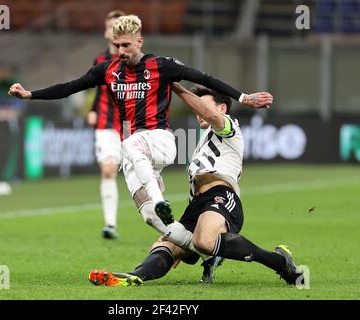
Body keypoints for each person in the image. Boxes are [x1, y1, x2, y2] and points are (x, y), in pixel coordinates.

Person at [8, 15, 273, 246]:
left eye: (125, 45)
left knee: (131, 144)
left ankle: (160, 199)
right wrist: (30, 94)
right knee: (151, 217)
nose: (121, 51)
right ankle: (199, 250)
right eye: (116, 45)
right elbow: (69, 87)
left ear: (139, 41)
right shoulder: (108, 70)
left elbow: (203, 78)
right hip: (134, 152)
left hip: (160, 140)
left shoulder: (162, 65)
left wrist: (243, 97)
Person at [88, 84, 304, 287]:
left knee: (203, 241)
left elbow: (212, 117)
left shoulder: (229, 126)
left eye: (204, 106)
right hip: (197, 205)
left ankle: (279, 261)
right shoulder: (201, 144)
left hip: (221, 196)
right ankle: (135, 276)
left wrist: (175, 86)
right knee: (164, 246)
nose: (199, 112)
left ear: (222, 108)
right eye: (198, 108)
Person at [87, 10, 125, 240]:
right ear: (105, 31)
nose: (113, 31)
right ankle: (110, 224)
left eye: (117, 27)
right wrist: (93, 110)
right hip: (105, 122)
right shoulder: (99, 61)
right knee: (109, 170)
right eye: (110, 26)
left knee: (139, 173)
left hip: (131, 123)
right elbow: (97, 88)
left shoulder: (132, 59)